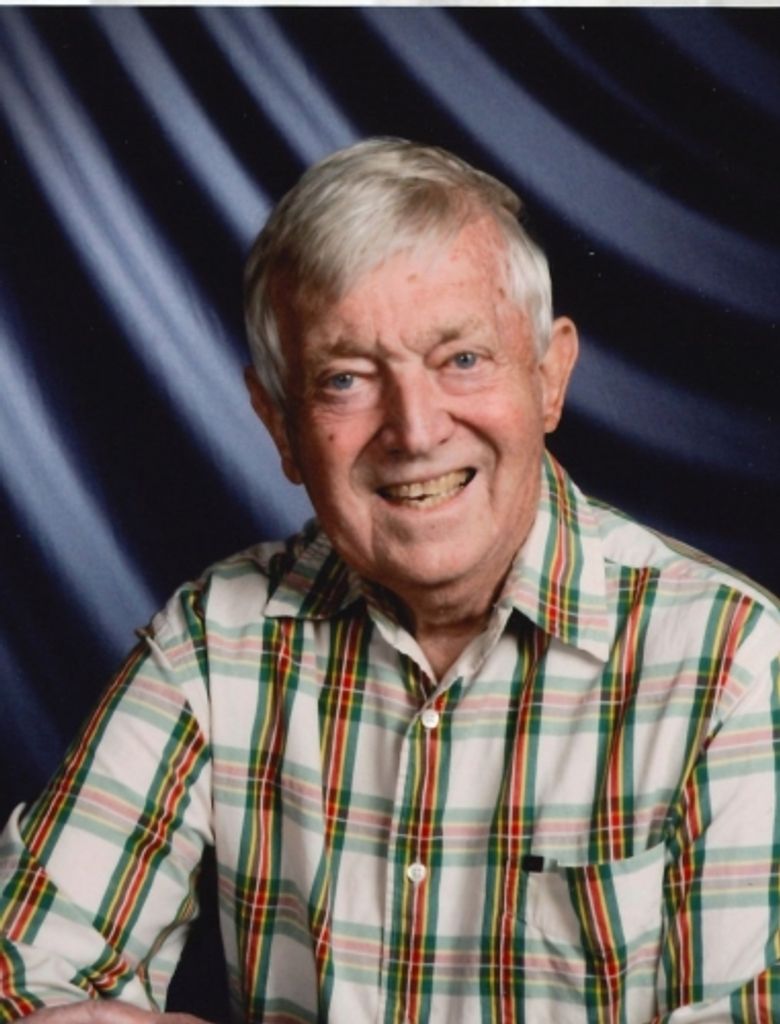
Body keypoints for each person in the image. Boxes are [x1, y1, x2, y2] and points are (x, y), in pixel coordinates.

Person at [1, 138, 778, 1024]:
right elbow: (21, 967)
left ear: (550, 376)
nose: (414, 429)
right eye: (345, 380)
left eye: (462, 359)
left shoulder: (732, 666)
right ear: (280, 426)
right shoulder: (217, 641)